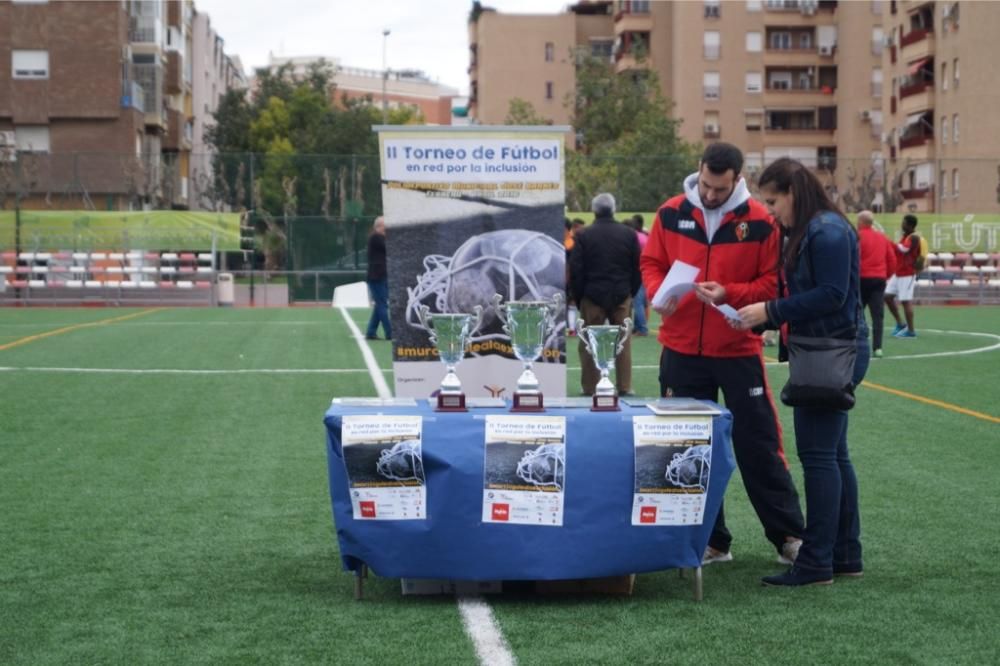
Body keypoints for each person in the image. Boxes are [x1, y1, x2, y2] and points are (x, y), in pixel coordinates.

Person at [640, 142, 804, 566]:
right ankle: (712, 541)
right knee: (687, 447)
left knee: (759, 445)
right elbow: (652, 263)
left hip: (737, 349)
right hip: (680, 348)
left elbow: (772, 285)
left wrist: (729, 293)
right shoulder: (670, 212)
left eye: (721, 188)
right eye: (707, 186)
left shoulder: (762, 222)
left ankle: (789, 536)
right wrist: (659, 292)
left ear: (737, 178)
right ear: (699, 171)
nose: (711, 194)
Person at [736, 157, 867, 586]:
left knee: (819, 458)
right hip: (826, 348)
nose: (769, 211)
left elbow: (832, 294)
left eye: (773, 201)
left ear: (794, 191)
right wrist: (767, 315)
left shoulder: (825, 231)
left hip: (829, 351)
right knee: (833, 455)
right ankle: (844, 554)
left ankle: (817, 563)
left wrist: (770, 310)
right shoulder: (813, 228)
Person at [569, 193, 641, 396]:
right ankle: (624, 386)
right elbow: (637, 267)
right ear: (614, 209)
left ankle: (590, 387)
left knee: (589, 343)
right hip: (621, 294)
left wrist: (580, 295)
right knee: (623, 342)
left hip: (592, 296)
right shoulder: (629, 234)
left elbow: (576, 270)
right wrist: (630, 292)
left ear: (594, 211)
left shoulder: (584, 235)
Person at [857, 210, 896, 357]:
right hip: (879, 279)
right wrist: (885, 275)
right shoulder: (882, 238)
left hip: (861, 278)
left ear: (861, 222)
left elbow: (853, 257)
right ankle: (877, 347)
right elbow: (892, 259)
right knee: (878, 315)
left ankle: (859, 341)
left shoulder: (857, 237)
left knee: (858, 312)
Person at [884, 214, 919, 338]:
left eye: (904, 222)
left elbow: (904, 250)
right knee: (887, 296)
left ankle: (911, 331)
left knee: (905, 301)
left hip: (907, 274)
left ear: (910, 225)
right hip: (898, 273)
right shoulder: (906, 237)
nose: (902, 225)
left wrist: (889, 243)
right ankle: (900, 323)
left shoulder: (914, 237)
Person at [364, 216, 391, 341]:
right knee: (382, 305)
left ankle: (371, 331)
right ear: (378, 227)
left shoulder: (379, 238)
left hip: (381, 276)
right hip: (376, 277)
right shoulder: (376, 237)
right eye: (385, 225)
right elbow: (388, 247)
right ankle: (390, 333)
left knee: (380, 305)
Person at [630, 214, 650, 336]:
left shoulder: (636, 237)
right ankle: (638, 327)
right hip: (645, 269)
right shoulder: (644, 236)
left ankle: (642, 328)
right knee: (641, 300)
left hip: (638, 270)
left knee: (637, 301)